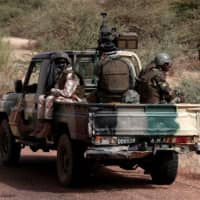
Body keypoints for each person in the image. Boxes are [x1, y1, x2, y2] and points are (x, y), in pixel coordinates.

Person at [31, 52, 85, 139]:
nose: (60, 65)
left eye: (62, 63)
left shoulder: (70, 75)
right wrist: (52, 92)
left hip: (73, 99)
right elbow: (59, 88)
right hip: (65, 96)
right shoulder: (61, 74)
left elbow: (67, 93)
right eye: (58, 63)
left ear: (66, 63)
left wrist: (53, 91)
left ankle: (48, 125)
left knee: (49, 99)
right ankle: (41, 124)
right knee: (41, 98)